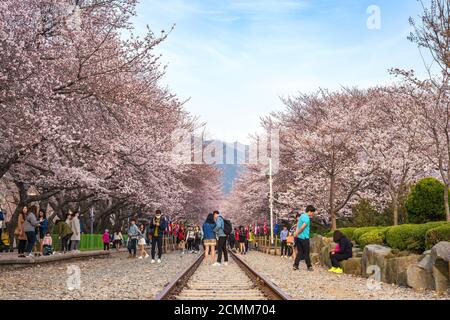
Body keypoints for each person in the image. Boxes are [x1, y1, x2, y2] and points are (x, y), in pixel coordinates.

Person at [293, 205, 315, 271]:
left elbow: (298, 224)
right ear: (309, 211)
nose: (313, 214)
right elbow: (302, 227)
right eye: (312, 212)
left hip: (298, 238)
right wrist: (297, 233)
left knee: (300, 252)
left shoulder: (302, 216)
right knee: (306, 253)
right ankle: (309, 266)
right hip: (304, 238)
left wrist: (296, 233)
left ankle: (295, 265)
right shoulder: (307, 218)